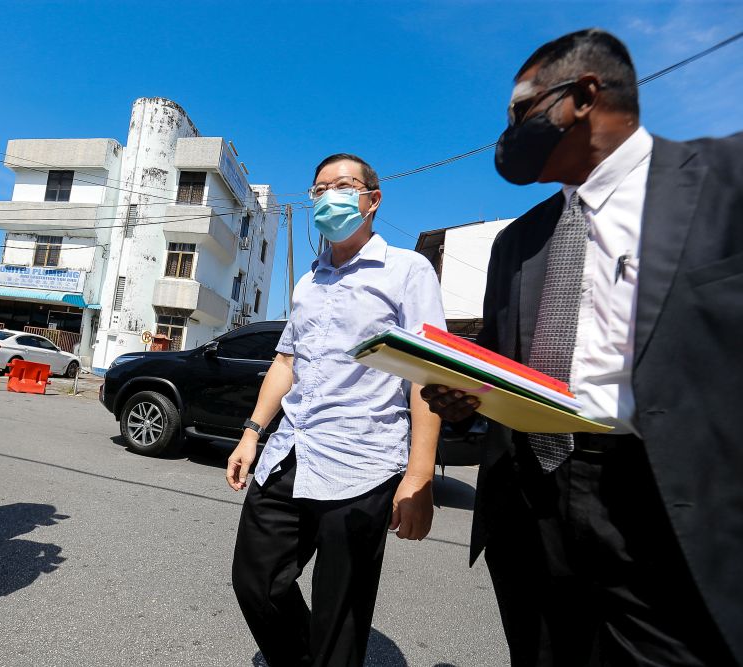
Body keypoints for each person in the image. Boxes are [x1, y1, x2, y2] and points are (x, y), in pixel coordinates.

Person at [422, 29, 742, 665]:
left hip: (658, 497)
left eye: (521, 111)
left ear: (586, 95)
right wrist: (467, 396)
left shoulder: (722, 185)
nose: (510, 130)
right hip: (529, 500)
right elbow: (503, 360)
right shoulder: (517, 242)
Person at [227, 154, 445, 667]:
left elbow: (430, 373)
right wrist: (251, 433)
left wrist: (420, 477)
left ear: (373, 198)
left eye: (344, 186)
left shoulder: (407, 271)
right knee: (256, 582)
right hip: (291, 450)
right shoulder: (309, 283)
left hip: (364, 463)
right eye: (321, 188)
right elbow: (287, 360)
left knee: (340, 614)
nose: (331, 197)